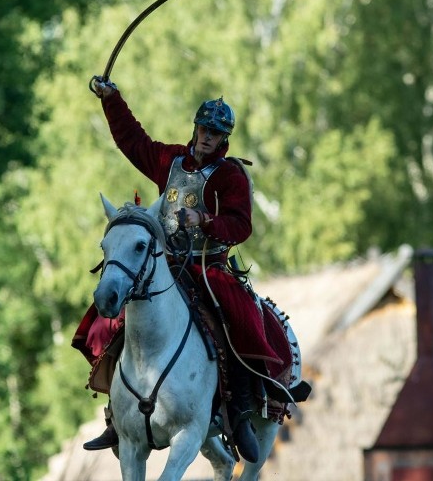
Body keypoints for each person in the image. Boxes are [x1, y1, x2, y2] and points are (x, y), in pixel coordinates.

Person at [74, 76, 285, 463]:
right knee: (110, 316)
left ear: (225, 139)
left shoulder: (231, 176)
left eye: (216, 133)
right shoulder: (171, 160)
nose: (207, 137)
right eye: (204, 129)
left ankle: (239, 411)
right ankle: (116, 414)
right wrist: (111, 100)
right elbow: (133, 141)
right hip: (164, 263)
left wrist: (203, 220)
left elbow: (241, 226)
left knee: (241, 323)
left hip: (210, 267)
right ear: (195, 129)